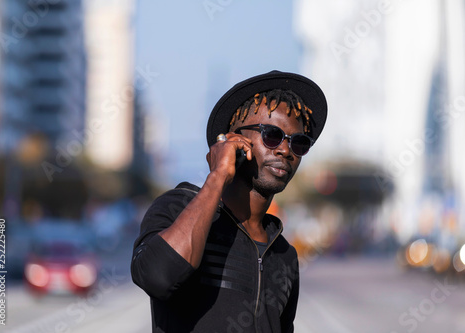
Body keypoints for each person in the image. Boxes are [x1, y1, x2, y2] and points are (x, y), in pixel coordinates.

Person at [131, 70, 327, 332]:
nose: (284, 150)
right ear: (233, 140)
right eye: (272, 135)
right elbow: (157, 277)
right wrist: (218, 175)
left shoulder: (284, 255)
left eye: (298, 143)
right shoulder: (177, 208)